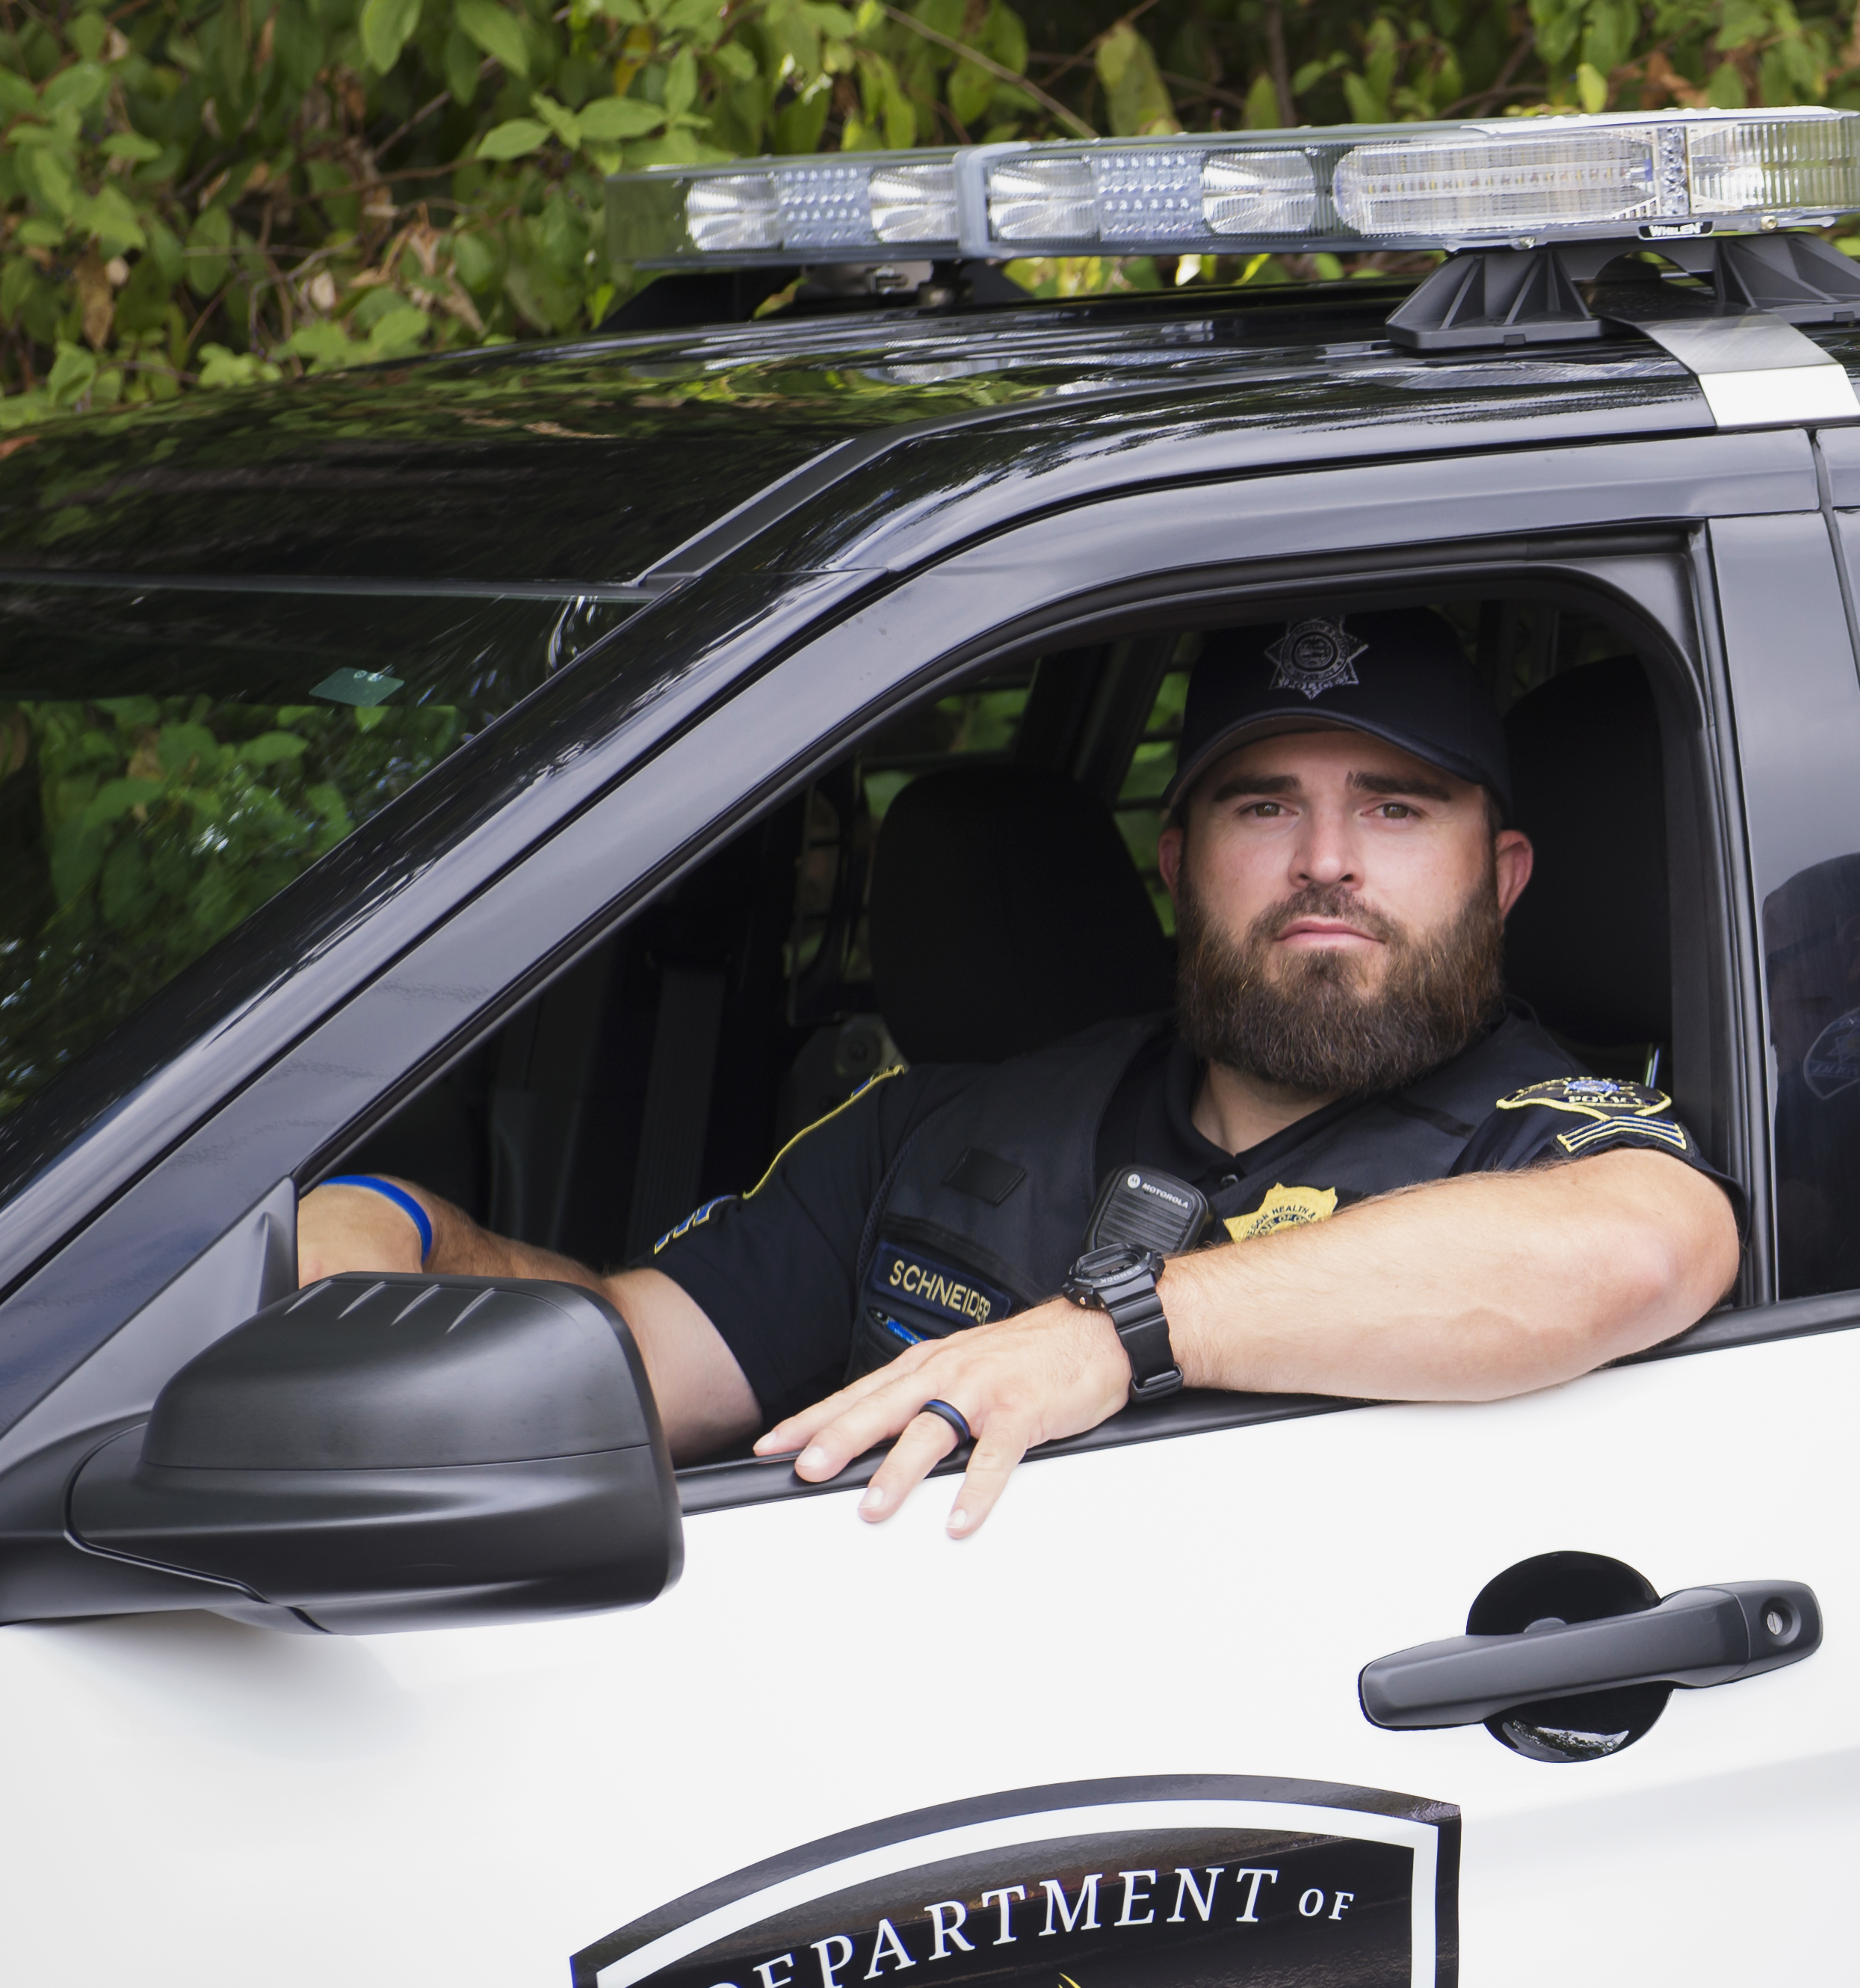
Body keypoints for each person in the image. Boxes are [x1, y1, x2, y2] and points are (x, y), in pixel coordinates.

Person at [298, 604, 1736, 1534]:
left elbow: (1648, 1247)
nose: (1327, 862)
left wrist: (1108, 1335)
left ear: (1504, 874)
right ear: (1179, 865)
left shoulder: (1554, 1147)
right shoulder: (946, 1128)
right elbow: (619, 1360)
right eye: (1263, 804)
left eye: (1396, 807)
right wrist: (409, 1247)